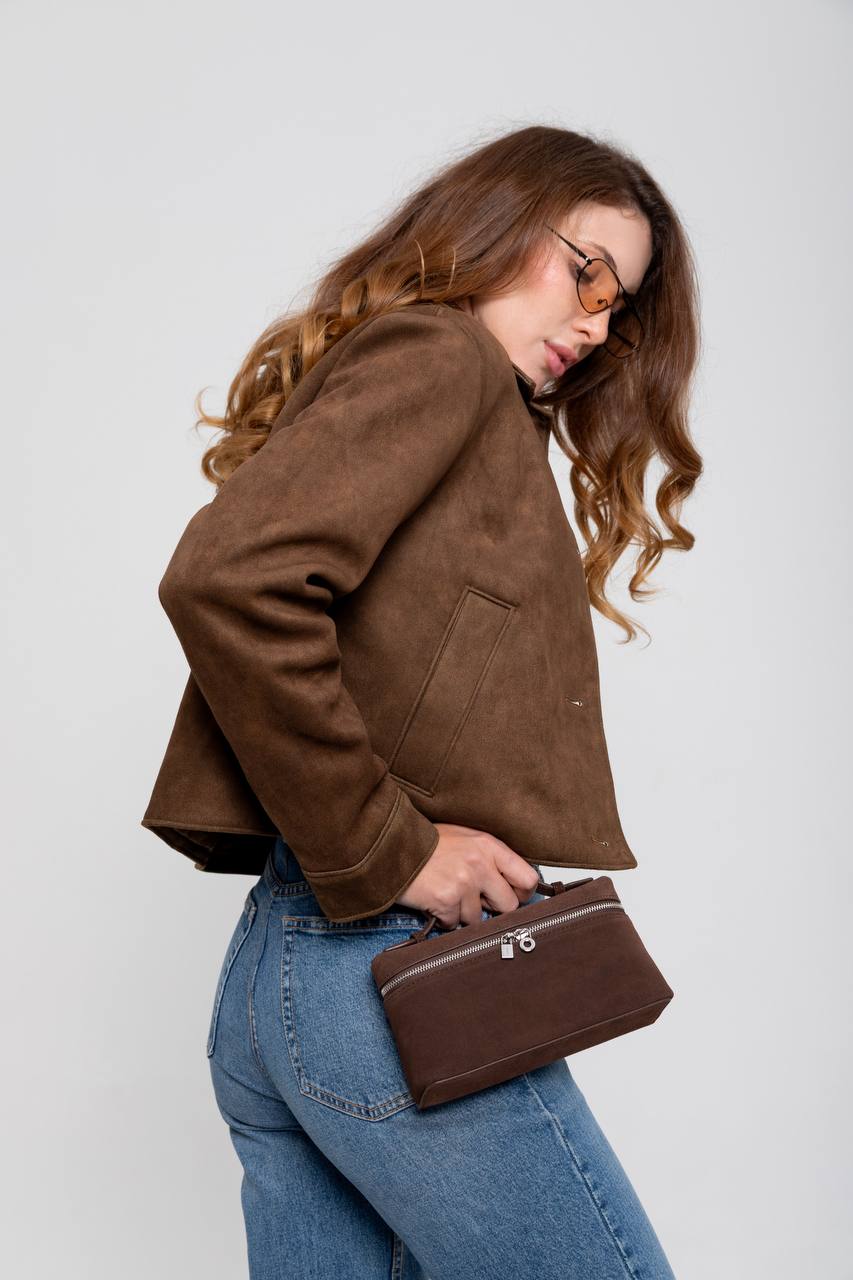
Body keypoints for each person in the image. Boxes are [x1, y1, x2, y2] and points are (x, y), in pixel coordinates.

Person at [142, 124, 702, 1278]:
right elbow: (228, 578)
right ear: (496, 224)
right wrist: (391, 847)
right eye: (588, 273)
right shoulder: (441, 357)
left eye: (621, 305)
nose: (599, 324)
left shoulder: (456, 391)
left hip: (294, 968)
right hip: (380, 971)